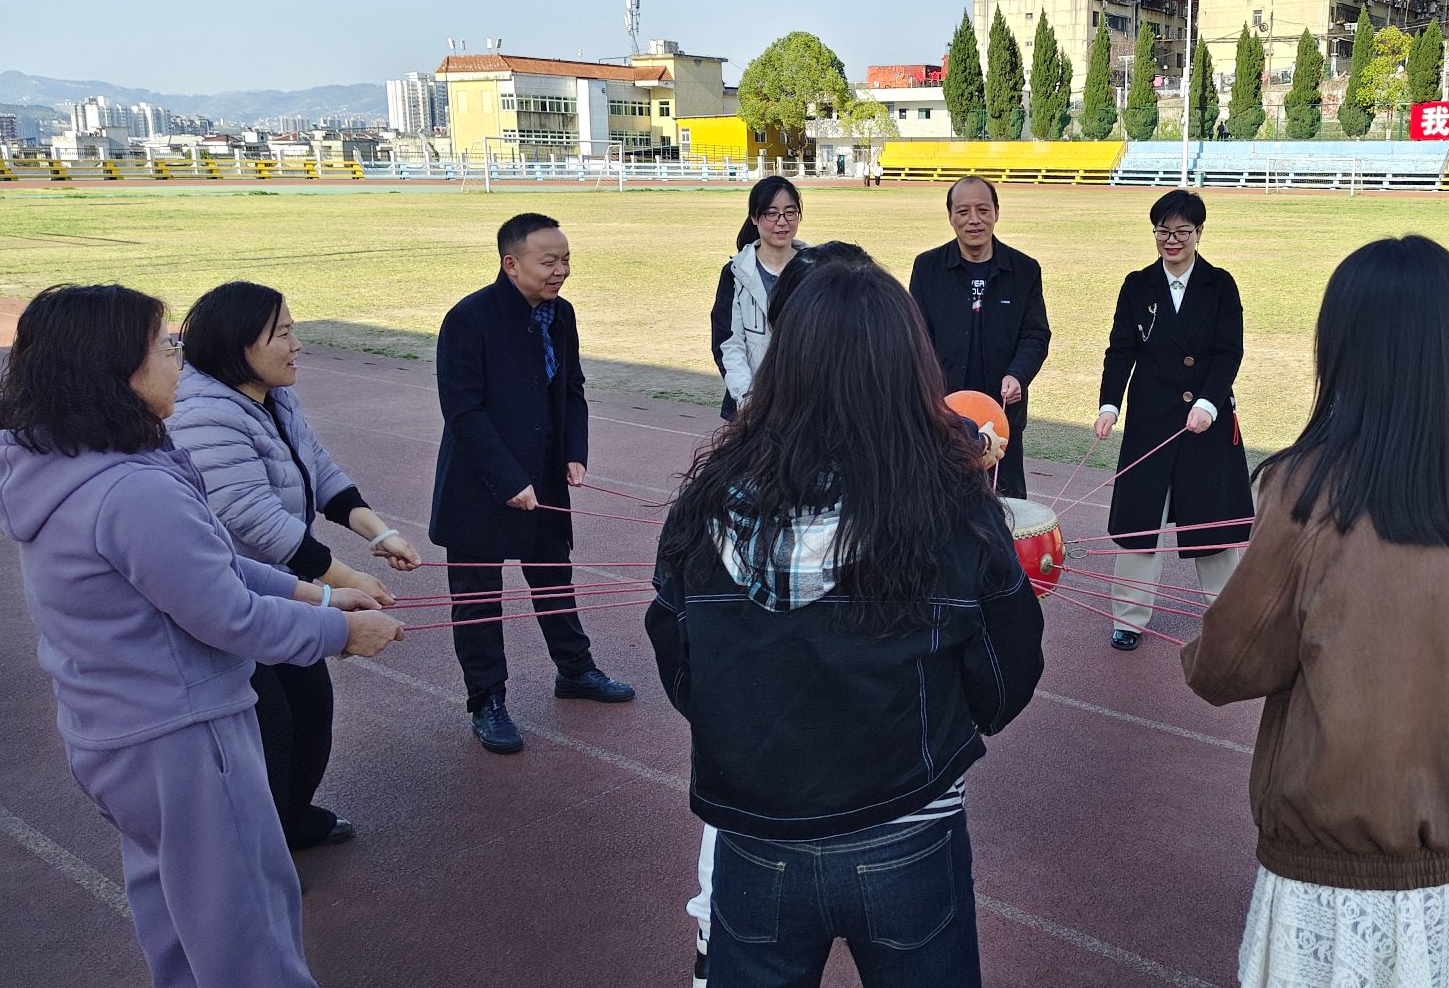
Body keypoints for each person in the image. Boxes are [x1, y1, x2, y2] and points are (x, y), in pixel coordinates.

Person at [0, 283, 403, 988]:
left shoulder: (69, 462)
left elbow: (210, 562)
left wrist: (317, 592)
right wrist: (340, 632)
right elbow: (226, 615)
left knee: (178, 916)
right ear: (117, 369)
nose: (178, 360)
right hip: (182, 738)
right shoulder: (132, 490)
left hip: (115, 730)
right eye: (163, 347)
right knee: (249, 932)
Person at [648, 259, 1045, 988]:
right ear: (909, 368)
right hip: (906, 831)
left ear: (784, 367)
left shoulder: (704, 505)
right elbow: (1004, 680)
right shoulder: (955, 510)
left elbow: (682, 666)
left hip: (758, 831)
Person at [1182, 236, 1449, 988]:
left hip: (1337, 857)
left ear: (1341, 345)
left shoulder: (1307, 490)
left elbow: (1232, 664)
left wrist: (1202, 648)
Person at [168, 281, 422, 851]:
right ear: (240, 345)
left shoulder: (273, 395)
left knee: (310, 706)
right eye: (282, 333)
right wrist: (345, 581)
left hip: (285, 586)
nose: (296, 344)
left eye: (293, 330)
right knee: (269, 723)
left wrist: (380, 533)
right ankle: (257, 848)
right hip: (233, 593)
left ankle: (289, 819)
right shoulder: (203, 415)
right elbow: (254, 518)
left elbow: (319, 471)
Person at [430, 212, 634, 755]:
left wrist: (573, 452)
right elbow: (463, 412)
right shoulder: (469, 319)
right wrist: (507, 478)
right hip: (481, 484)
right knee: (478, 600)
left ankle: (575, 669)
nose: (561, 271)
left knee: (553, 578)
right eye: (549, 261)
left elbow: (571, 387)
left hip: (544, 477)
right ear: (511, 263)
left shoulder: (560, 314)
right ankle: (487, 700)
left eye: (566, 260)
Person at [1093, 189, 1253, 650]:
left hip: (1207, 422)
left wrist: (1208, 403)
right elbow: (1120, 350)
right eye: (1163, 231)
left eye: (1182, 231)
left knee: (1212, 527)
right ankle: (1128, 617)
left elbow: (1229, 352)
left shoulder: (1220, 285)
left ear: (1199, 232)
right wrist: (1109, 405)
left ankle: (1228, 619)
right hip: (1150, 420)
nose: (1172, 240)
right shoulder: (1137, 285)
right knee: (1140, 525)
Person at [908, 176, 1051, 497]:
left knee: (1007, 508)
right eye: (963, 211)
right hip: (944, 413)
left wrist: (1018, 374)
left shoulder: (1024, 270)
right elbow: (915, 337)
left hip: (1001, 415)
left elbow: (1036, 334)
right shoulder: (928, 267)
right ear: (950, 216)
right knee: (942, 506)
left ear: (997, 212)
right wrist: (929, 392)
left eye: (983, 210)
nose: (974, 219)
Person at [711, 175, 805, 420]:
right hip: (751, 407)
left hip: (805, 409)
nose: (782, 222)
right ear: (754, 217)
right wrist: (748, 401)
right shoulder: (735, 273)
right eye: (771, 213)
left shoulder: (817, 269)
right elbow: (729, 344)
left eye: (790, 212)